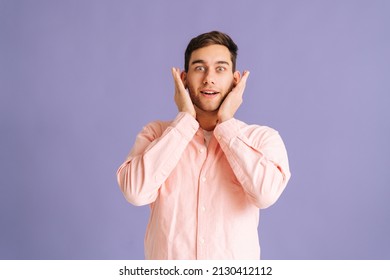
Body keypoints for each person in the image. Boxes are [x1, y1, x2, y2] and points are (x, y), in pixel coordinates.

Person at [117, 31, 291, 260]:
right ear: (184, 78)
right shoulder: (156, 134)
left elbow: (265, 195)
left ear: (235, 80)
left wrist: (226, 123)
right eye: (199, 68)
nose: (209, 78)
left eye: (220, 69)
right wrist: (185, 120)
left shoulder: (261, 139)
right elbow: (135, 192)